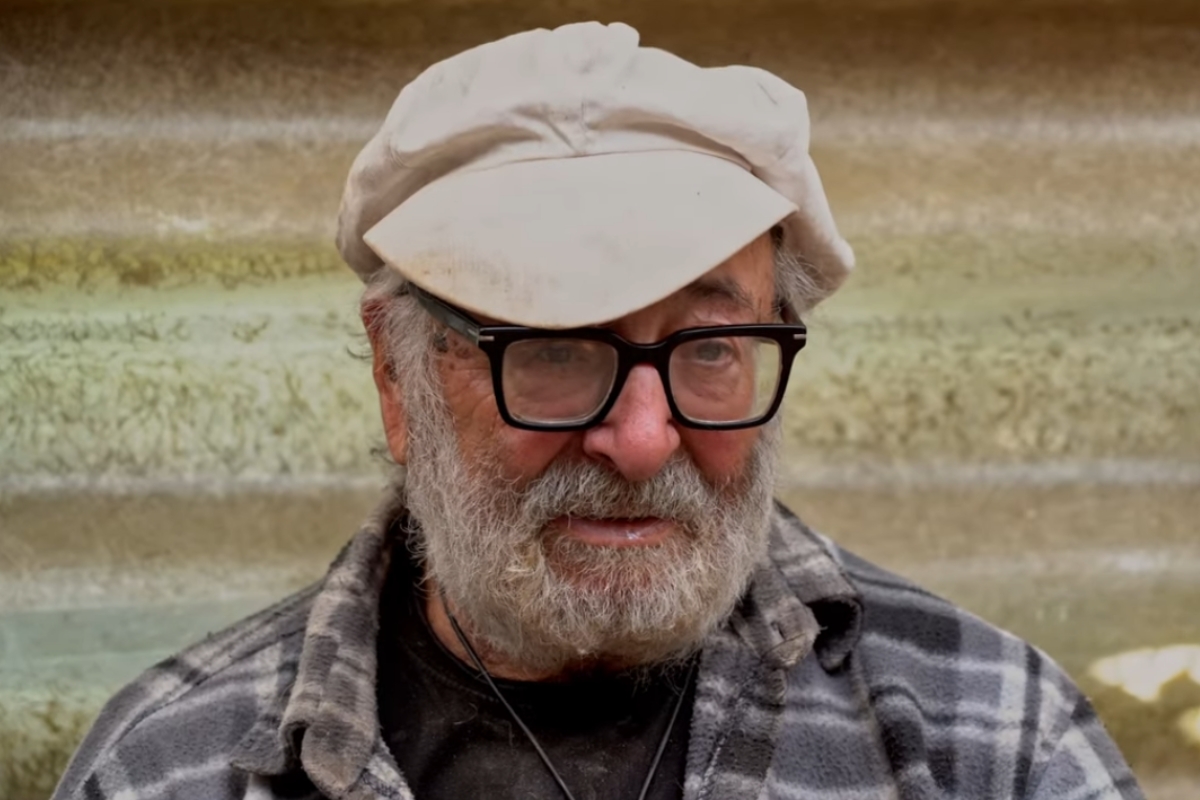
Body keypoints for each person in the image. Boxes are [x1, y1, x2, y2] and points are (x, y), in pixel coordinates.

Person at [52, 22, 1143, 800]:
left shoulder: (993, 743)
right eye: (555, 351)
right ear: (398, 375)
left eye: (709, 350)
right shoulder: (170, 769)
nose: (642, 439)